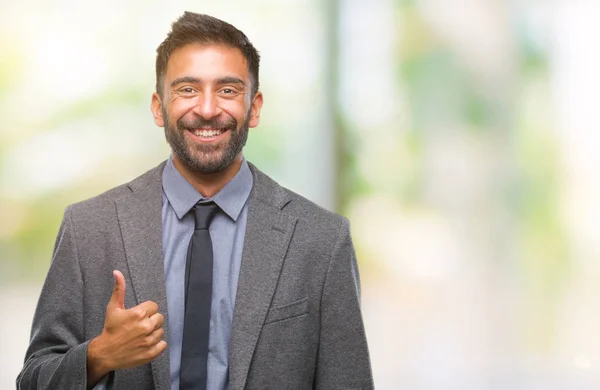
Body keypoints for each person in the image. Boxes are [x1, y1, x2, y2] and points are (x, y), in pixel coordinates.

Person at [17, 11, 373, 390]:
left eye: (228, 90)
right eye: (187, 89)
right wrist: (101, 355)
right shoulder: (89, 227)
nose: (206, 109)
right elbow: (33, 380)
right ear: (159, 107)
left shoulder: (320, 239)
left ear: (254, 108)